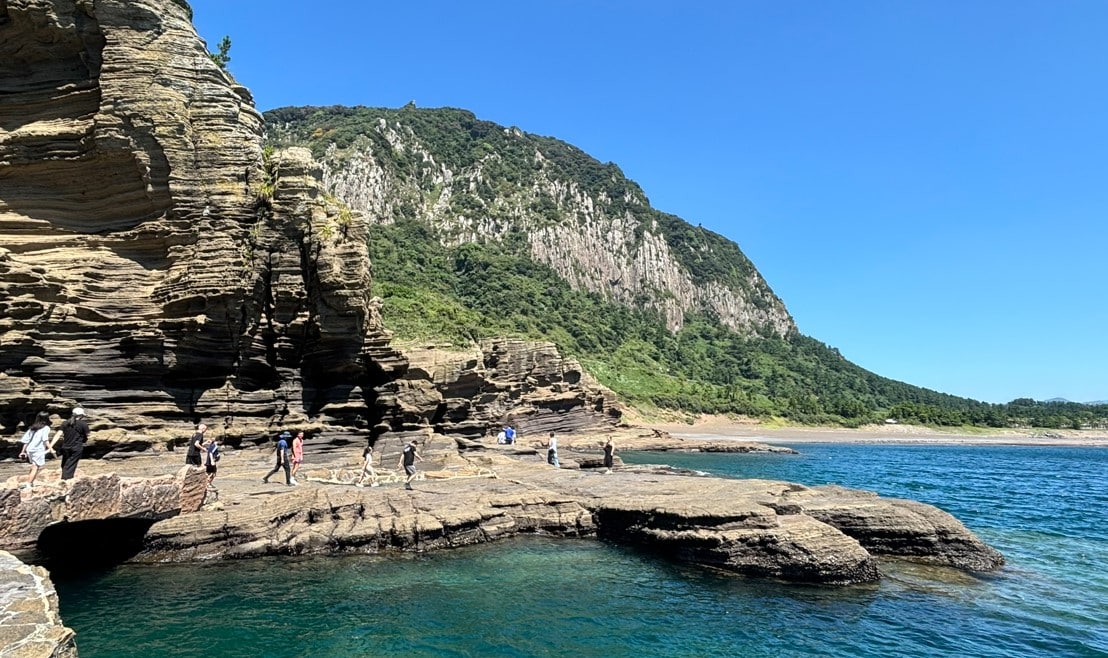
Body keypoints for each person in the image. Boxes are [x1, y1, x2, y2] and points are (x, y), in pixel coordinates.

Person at [49, 407, 89, 480]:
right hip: (76, 447)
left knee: (65, 463)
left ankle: (64, 478)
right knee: (71, 464)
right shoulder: (83, 424)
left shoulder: (65, 423)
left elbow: (58, 434)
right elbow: (87, 435)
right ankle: (67, 480)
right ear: (81, 416)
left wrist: (50, 446)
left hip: (65, 447)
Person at [18, 411, 52, 489]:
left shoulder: (33, 427)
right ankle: (29, 484)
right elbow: (45, 440)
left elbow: (26, 440)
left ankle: (29, 481)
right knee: (36, 467)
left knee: (33, 465)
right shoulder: (46, 428)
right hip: (38, 450)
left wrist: (23, 451)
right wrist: (50, 448)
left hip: (30, 450)